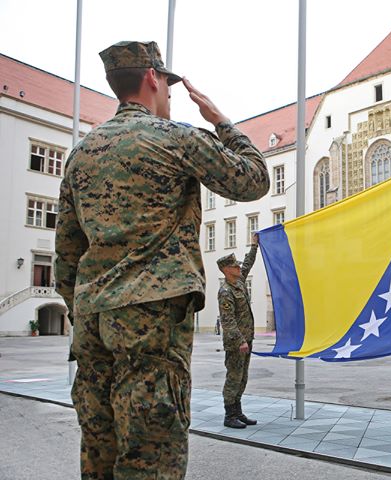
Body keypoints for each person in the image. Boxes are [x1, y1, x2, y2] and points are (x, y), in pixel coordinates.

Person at [54, 40, 269, 479]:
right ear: (152, 78)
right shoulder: (176, 138)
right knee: (151, 453)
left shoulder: (81, 153)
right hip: (150, 319)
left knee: (99, 447)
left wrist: (84, 307)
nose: (170, 94)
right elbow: (255, 179)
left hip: (92, 321)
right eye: (168, 84)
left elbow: (66, 254)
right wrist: (222, 122)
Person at [216, 232, 259, 429]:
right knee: (233, 377)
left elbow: (248, 264)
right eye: (235, 266)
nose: (239, 268)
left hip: (246, 339)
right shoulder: (226, 292)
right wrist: (240, 340)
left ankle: (238, 411)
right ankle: (229, 415)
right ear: (226, 270)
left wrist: (254, 246)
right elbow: (228, 321)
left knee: (243, 377)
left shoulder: (239, 282)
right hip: (236, 342)